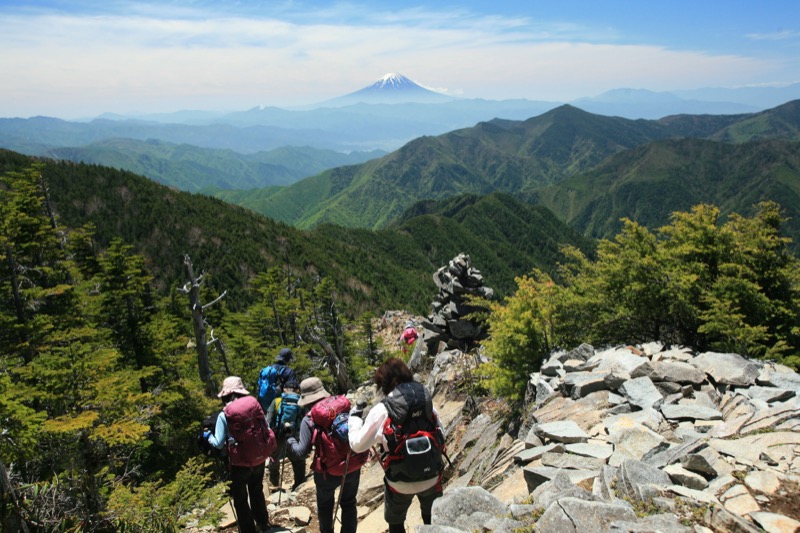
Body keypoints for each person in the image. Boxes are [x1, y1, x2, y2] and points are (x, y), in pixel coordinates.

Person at [347, 358, 446, 533]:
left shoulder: (383, 408)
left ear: (383, 383)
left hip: (400, 481)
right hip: (432, 475)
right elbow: (441, 434)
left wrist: (354, 420)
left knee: (396, 522)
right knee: (432, 519)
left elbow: (357, 445)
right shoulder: (424, 400)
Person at [286, 377, 366, 533]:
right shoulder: (342, 406)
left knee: (324, 506)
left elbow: (301, 452)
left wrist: (289, 439)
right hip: (352, 462)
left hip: (327, 471)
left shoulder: (309, 419)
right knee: (349, 502)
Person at [207, 376, 276, 533]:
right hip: (259, 458)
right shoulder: (254, 405)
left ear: (227, 394)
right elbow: (266, 427)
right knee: (256, 490)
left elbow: (218, 443)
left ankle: (248, 530)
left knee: (240, 499)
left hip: (239, 463)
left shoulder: (224, 414)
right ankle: (263, 523)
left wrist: (208, 436)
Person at [266, 378, 306, 491]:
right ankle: (299, 484)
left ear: (284, 389)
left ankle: (275, 484)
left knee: (274, 459)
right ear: (297, 390)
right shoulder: (301, 402)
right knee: (298, 460)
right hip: (295, 435)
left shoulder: (277, 401)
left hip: (279, 435)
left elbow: (268, 420)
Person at [256, 348, 298, 412]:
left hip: (262, 402)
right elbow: (291, 391)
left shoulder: (269, 369)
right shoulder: (288, 371)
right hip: (278, 404)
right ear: (288, 359)